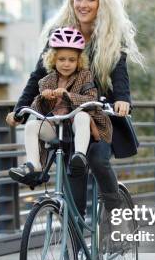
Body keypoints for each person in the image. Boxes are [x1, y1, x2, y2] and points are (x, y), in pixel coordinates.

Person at [6, 0, 145, 218]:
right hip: (65, 117)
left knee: (98, 159)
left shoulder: (111, 39)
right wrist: (19, 110)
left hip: (98, 117)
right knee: (73, 181)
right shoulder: (60, 35)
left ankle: (116, 214)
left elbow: (120, 75)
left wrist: (123, 100)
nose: (83, 4)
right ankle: (75, 250)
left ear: (102, 3)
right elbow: (38, 76)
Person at [8, 27, 112, 184]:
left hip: (77, 128)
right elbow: (39, 111)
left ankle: (80, 157)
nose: (66, 64)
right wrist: (43, 98)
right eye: (61, 59)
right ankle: (34, 165)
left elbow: (91, 99)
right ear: (53, 60)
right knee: (31, 126)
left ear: (79, 61)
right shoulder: (46, 81)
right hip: (57, 129)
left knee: (82, 115)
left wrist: (67, 95)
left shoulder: (85, 76)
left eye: (72, 60)